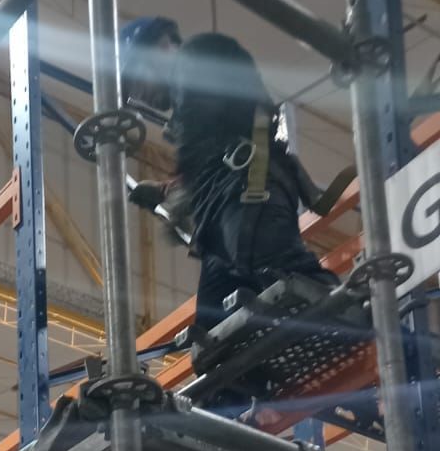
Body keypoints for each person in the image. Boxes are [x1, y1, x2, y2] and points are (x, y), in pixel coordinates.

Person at [124, 26, 339, 340]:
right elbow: (208, 149)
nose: (139, 94)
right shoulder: (193, 95)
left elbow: (202, 138)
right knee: (215, 334)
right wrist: (166, 191)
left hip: (249, 193)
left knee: (289, 277)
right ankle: (235, 384)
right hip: (218, 218)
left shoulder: (198, 54)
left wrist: (178, 194)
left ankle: (356, 319)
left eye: (137, 78)